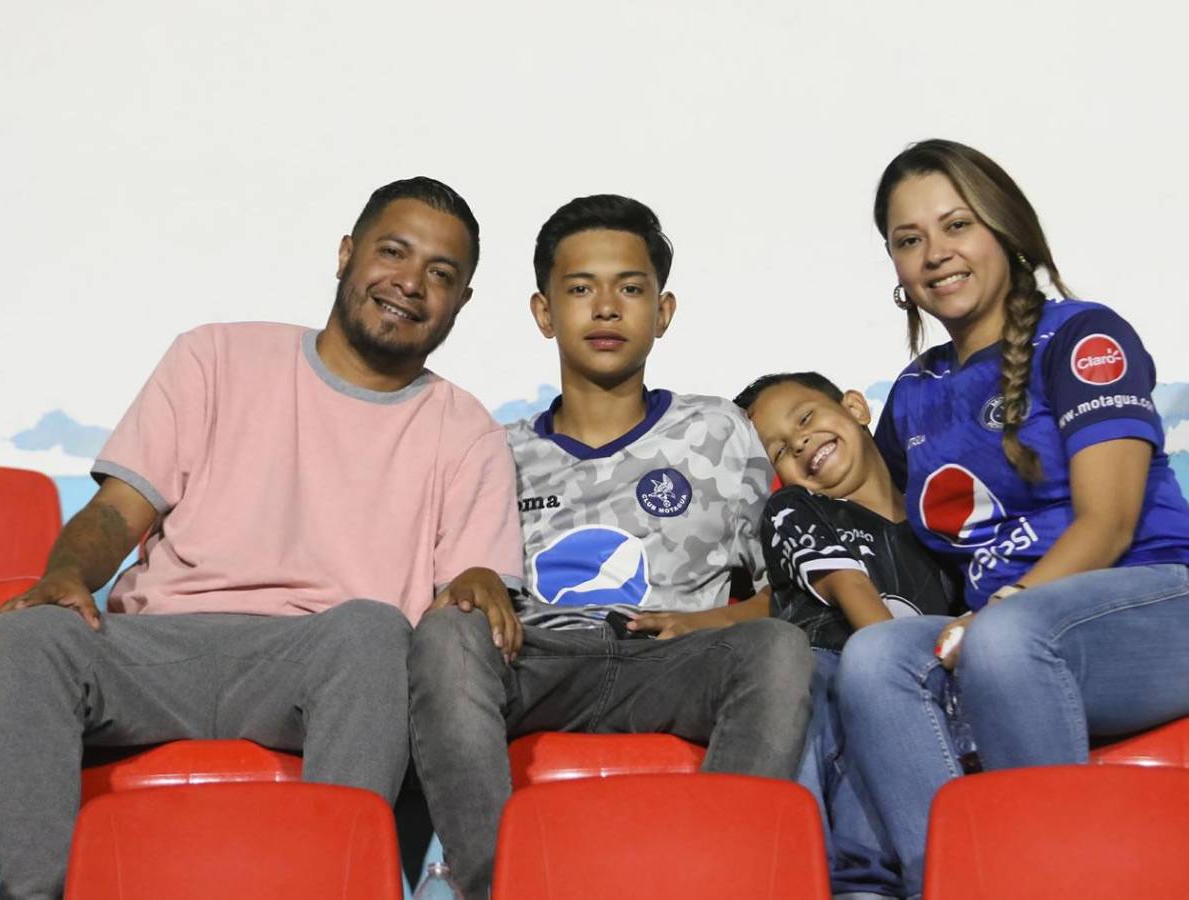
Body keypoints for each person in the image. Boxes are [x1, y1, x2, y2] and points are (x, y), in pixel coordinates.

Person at [0, 177, 523, 899]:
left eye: (441, 274)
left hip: (324, 662)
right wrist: (66, 575)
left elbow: (465, 599)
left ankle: (335, 886)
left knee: (373, 633)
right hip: (159, 649)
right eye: (393, 252)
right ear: (346, 254)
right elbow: (117, 512)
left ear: (461, 302)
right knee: (29, 637)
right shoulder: (214, 356)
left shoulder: (468, 432)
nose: (410, 283)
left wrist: (480, 582)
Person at [408, 194, 814, 898]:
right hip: (539, 663)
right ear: (543, 312)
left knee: (777, 649)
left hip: (671, 660)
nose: (605, 308)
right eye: (580, 290)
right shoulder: (494, 449)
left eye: (629, 289)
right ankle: (499, 886)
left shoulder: (719, 430)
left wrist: (708, 623)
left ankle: (719, 880)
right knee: (446, 637)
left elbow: (782, 592)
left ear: (663, 311)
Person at [835, 138, 1189, 899]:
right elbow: (874, 529)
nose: (935, 253)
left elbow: (1109, 521)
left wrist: (1004, 606)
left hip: (1151, 600)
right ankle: (951, 884)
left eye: (957, 225)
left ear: (1005, 229)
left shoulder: (1084, 336)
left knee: (1003, 639)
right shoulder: (915, 391)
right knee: (874, 658)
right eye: (908, 240)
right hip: (1006, 631)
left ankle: (1049, 883)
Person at [736, 371, 952, 899]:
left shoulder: (937, 524)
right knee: (809, 685)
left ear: (855, 407)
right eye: (779, 450)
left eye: (806, 417)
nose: (799, 442)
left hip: (911, 698)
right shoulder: (794, 508)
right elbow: (851, 591)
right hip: (832, 676)